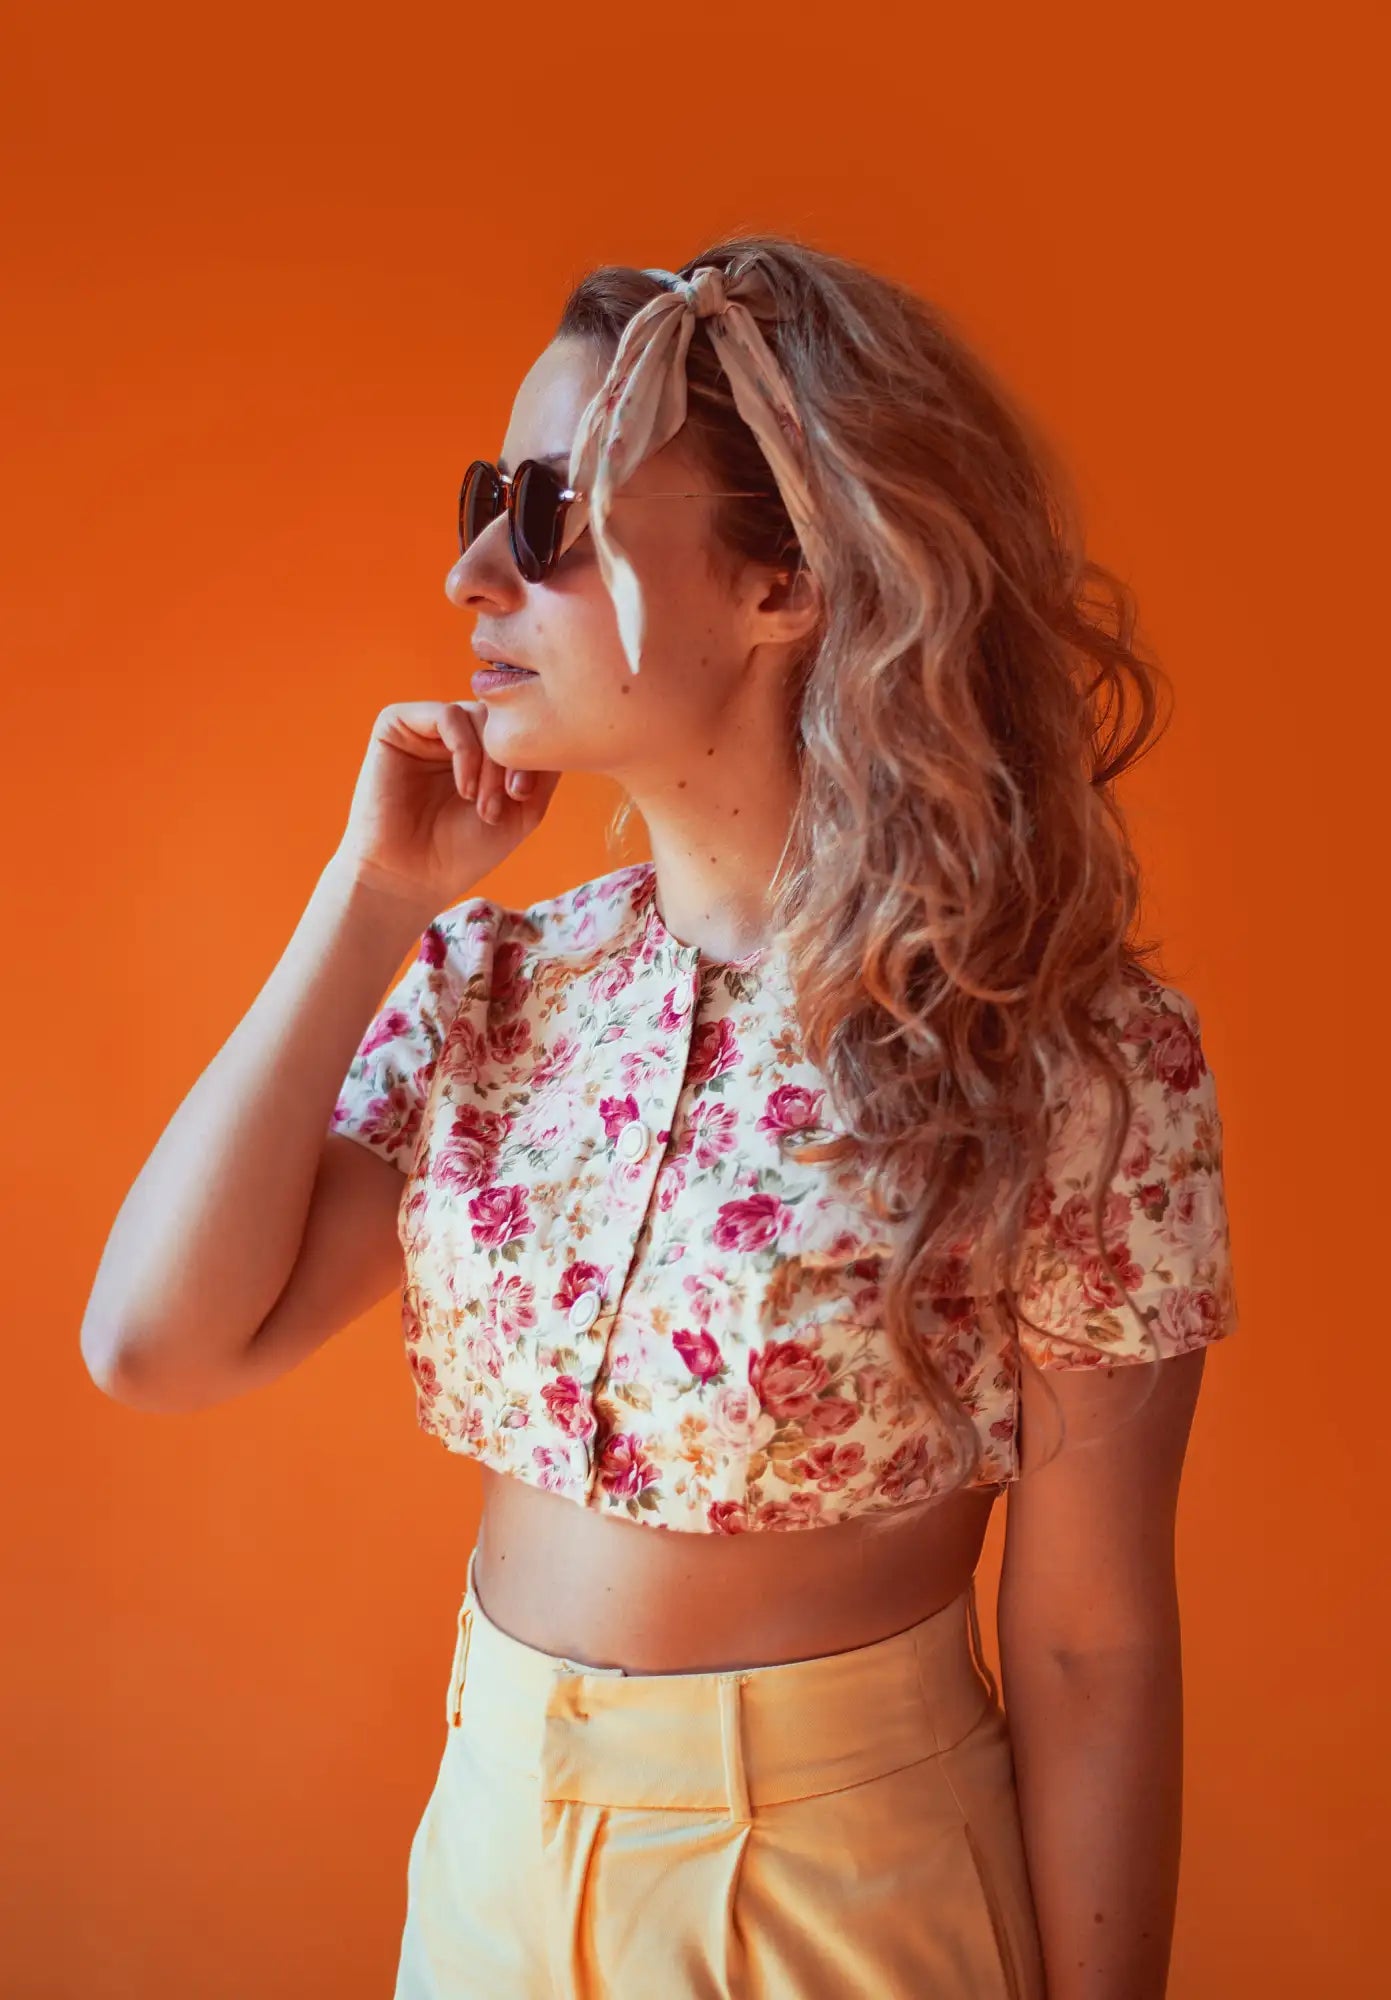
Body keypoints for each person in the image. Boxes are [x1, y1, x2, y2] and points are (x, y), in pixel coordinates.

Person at [82, 236, 1239, 2000]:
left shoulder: (1065, 1056)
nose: (473, 568)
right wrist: (368, 900)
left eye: (547, 515)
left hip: (840, 1890)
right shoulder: (499, 987)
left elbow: (1090, 1642)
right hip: (486, 1857)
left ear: (781, 580)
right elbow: (155, 1344)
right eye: (488, 498)